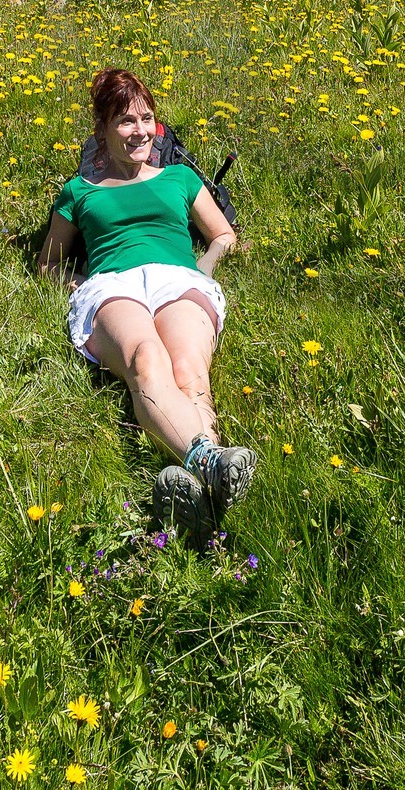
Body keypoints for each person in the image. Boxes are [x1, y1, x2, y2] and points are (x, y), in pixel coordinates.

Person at [37, 67, 256, 545]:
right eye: (125, 121)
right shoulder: (79, 191)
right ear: (102, 130)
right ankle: (210, 465)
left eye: (146, 119)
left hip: (178, 277)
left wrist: (205, 266)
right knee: (145, 358)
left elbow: (223, 235)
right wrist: (79, 284)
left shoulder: (179, 177)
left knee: (189, 368)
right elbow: (48, 263)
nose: (139, 131)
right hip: (112, 285)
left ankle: (199, 491)